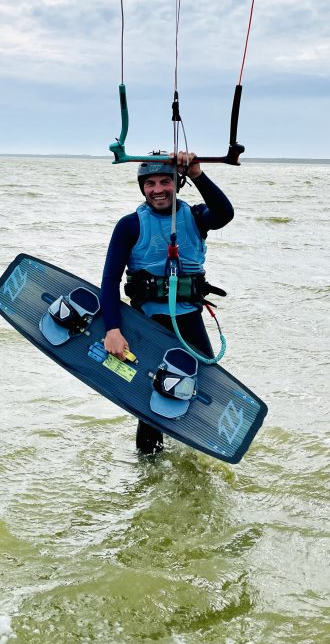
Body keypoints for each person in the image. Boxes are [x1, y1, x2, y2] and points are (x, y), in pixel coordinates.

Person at [101, 151, 235, 455]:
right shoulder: (130, 225)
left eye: (165, 181)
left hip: (189, 320)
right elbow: (109, 281)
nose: (158, 189)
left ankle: (195, 457)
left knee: (204, 390)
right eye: (150, 183)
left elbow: (225, 213)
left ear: (177, 183)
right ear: (142, 187)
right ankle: (149, 470)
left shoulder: (198, 217)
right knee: (152, 401)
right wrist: (112, 329)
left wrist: (198, 174)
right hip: (147, 323)